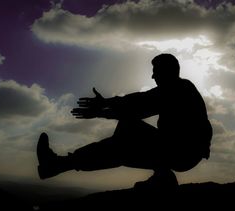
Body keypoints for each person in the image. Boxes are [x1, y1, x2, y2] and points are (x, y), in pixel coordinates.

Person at [37, 53, 212, 190]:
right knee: (122, 144)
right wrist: (105, 106)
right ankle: (162, 177)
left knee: (124, 136)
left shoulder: (178, 89)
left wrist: (102, 109)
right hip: (180, 151)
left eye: (155, 71)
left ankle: (57, 165)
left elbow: (138, 105)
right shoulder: (177, 89)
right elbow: (138, 102)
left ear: (167, 71)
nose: (152, 76)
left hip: (182, 152)